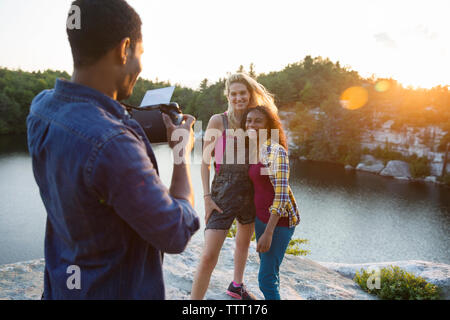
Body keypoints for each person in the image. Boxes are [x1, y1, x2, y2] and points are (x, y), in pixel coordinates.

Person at [26, 0, 199, 299]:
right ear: (125, 48)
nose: (140, 66)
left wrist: (124, 129)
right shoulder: (113, 144)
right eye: (140, 54)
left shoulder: (41, 107)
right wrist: (181, 152)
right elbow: (175, 233)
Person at [190, 73, 276, 300]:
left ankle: (237, 286)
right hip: (222, 193)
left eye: (242, 93)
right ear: (228, 95)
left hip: (250, 193)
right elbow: (205, 163)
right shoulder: (219, 121)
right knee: (209, 255)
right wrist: (207, 197)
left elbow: (267, 156)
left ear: (250, 94)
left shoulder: (255, 119)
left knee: (242, 244)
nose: (238, 98)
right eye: (234, 93)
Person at [243, 105, 301, 300]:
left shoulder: (276, 151)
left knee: (265, 279)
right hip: (261, 219)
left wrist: (268, 233)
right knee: (270, 272)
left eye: (257, 121)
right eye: (249, 120)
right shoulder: (256, 149)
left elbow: (281, 194)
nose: (251, 124)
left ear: (268, 126)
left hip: (278, 223)